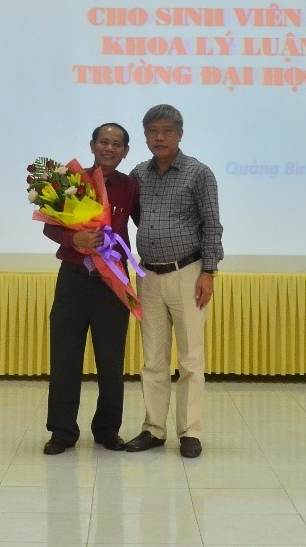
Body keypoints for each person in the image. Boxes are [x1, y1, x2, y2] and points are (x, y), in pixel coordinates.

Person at [125, 104, 223, 459]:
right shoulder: (138, 173)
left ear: (180, 134)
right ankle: (153, 428)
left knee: (190, 358)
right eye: (153, 131)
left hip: (188, 274)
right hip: (148, 275)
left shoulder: (199, 173)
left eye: (167, 131)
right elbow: (137, 218)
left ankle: (190, 431)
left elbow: (212, 224)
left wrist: (209, 271)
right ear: (145, 136)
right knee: (152, 358)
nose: (160, 137)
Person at [40, 123, 139, 455]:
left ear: (125, 151)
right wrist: (74, 238)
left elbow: (144, 222)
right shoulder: (70, 182)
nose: (109, 148)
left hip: (113, 282)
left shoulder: (129, 186)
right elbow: (50, 228)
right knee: (64, 357)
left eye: (116, 144)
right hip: (73, 278)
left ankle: (108, 430)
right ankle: (62, 431)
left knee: (111, 360)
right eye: (103, 141)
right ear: (92, 145)